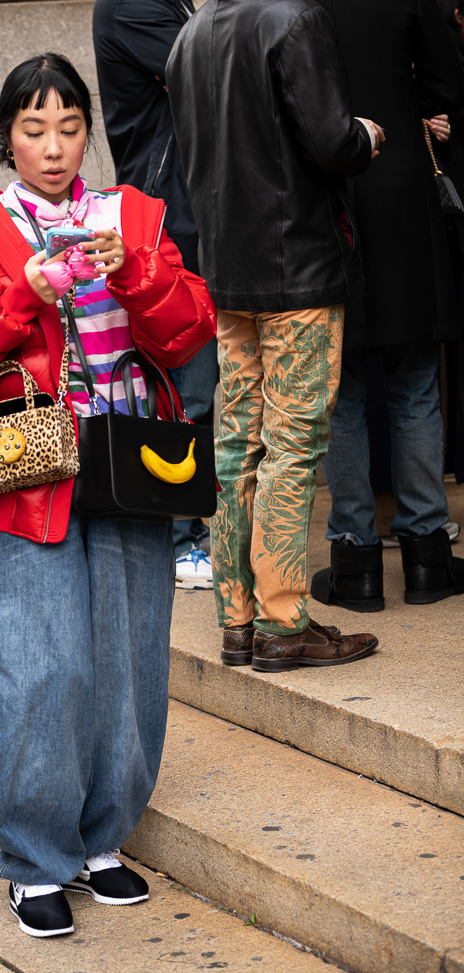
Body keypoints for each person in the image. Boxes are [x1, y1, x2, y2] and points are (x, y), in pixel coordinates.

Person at [0, 53, 215, 938]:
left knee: (127, 665)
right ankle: (34, 858)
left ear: (89, 131)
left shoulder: (135, 218)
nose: (53, 147)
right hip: (29, 466)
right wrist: (19, 293)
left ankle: (102, 842)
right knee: (41, 666)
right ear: (7, 136)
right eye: (34, 129)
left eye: (69, 127)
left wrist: (137, 274)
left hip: (129, 463)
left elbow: (190, 331)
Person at [167, 0, 384, 672]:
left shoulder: (190, 35)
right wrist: (368, 136)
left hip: (229, 267)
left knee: (237, 444)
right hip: (300, 267)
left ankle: (239, 622)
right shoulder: (294, 17)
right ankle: (284, 621)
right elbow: (330, 141)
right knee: (292, 446)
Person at [309, 0, 464, 612]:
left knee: (340, 391)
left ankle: (356, 563)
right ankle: (427, 553)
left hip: (329, 195)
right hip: (401, 189)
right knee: (415, 383)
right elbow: (448, 81)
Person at [93, 0, 218, 590]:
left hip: (192, 209)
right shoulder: (131, 5)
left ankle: (193, 533)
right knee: (183, 391)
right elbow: (208, 64)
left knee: (197, 389)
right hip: (171, 217)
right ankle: (180, 537)